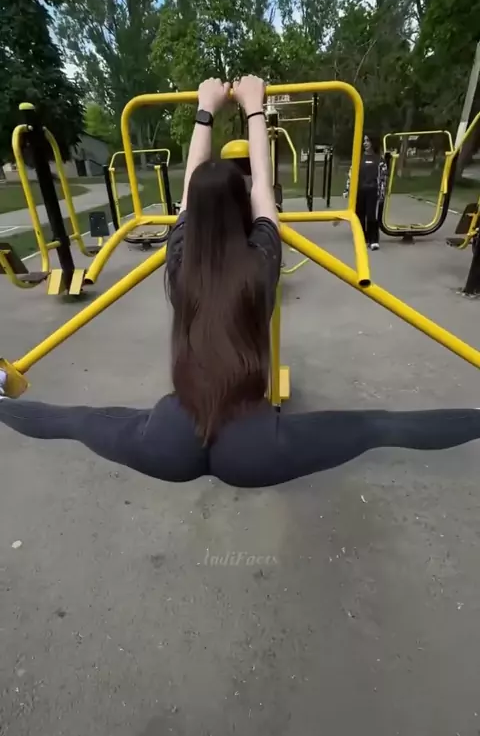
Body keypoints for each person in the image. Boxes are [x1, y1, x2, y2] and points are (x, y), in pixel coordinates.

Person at [1, 76, 480, 490]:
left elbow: (191, 188)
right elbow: (263, 189)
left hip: (173, 437)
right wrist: (254, 107)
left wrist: (205, 109)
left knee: (79, 422)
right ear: (243, 206)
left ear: (191, 213)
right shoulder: (261, 257)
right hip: (252, 445)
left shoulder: (180, 257)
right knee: (378, 428)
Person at [344, 133, 387, 250]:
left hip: (373, 191)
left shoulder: (380, 160)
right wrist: (347, 189)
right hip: (360, 191)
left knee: (371, 216)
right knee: (360, 216)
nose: (365, 143)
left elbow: (383, 179)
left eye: (367, 141)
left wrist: (382, 194)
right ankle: (362, 238)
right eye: (364, 141)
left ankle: (373, 240)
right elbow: (351, 175)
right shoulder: (358, 158)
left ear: (373, 142)